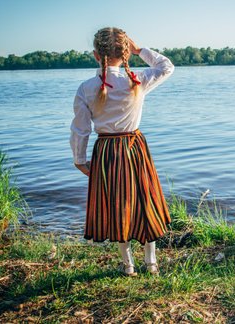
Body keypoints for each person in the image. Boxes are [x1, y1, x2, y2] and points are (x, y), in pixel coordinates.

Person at [70, 27, 174, 276]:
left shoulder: (86, 88)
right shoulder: (136, 80)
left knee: (118, 205)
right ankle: (151, 262)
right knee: (144, 201)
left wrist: (80, 160)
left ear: (96, 55)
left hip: (106, 151)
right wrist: (140, 50)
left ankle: (128, 265)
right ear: (126, 53)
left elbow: (80, 129)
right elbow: (166, 66)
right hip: (134, 148)